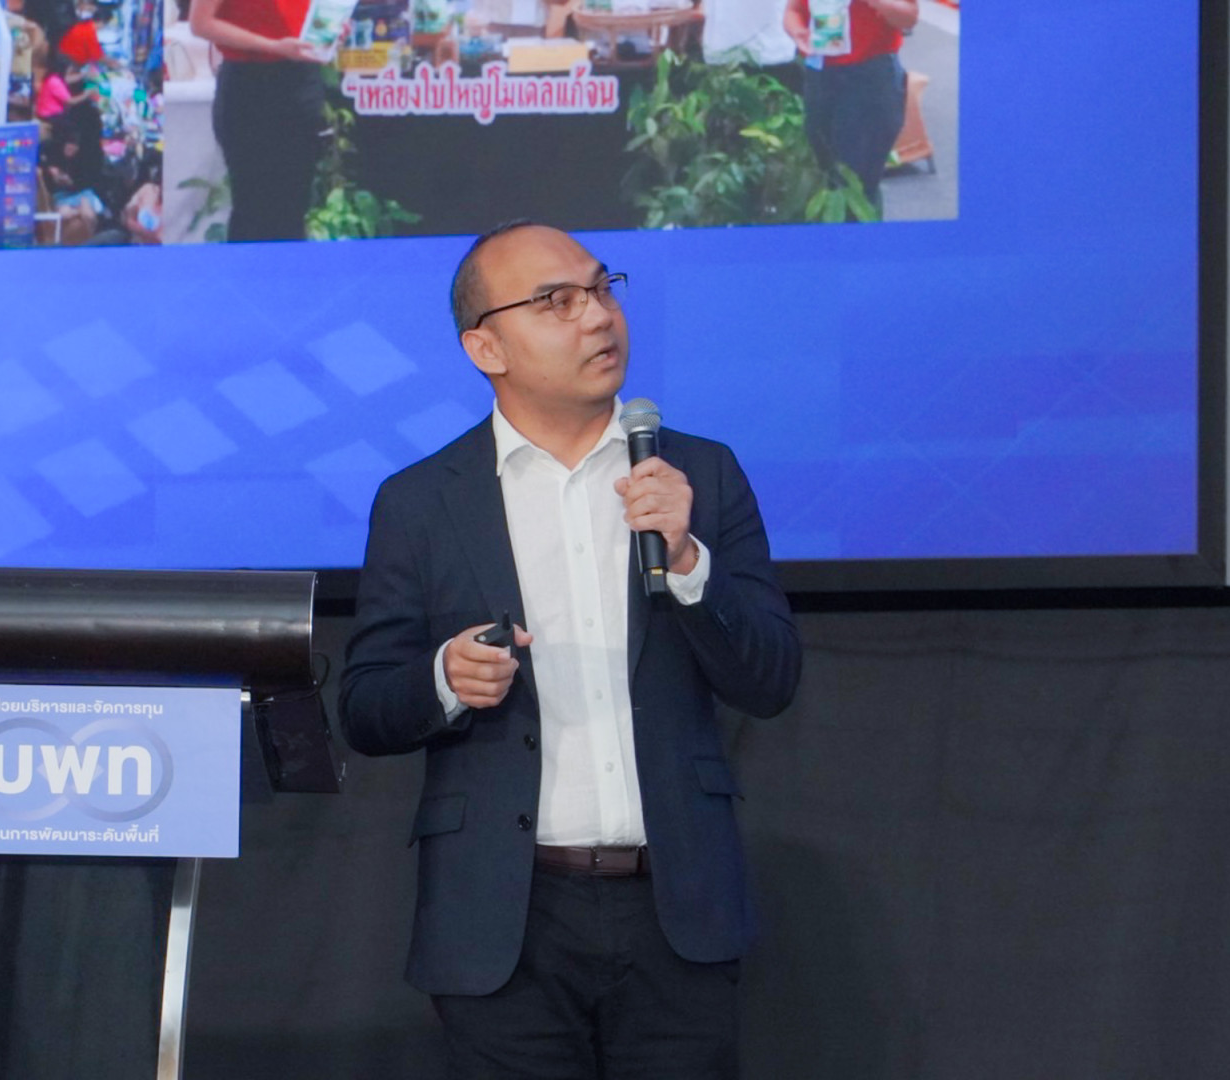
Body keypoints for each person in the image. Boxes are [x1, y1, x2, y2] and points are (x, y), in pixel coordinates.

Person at [339, 222, 801, 1080]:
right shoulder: (422, 501)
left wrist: (689, 562)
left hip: (676, 907)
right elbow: (365, 707)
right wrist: (444, 679)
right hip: (503, 917)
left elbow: (771, 679)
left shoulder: (702, 475)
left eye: (601, 288)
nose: (597, 316)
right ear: (486, 348)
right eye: (556, 301)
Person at [189, 0, 326, 241]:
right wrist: (273, 46)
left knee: (294, 205)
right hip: (249, 86)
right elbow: (200, 23)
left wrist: (328, 32)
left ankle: (291, 265)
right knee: (253, 207)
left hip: (301, 80)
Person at [783, 0, 916, 212]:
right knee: (825, 173)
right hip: (820, 75)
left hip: (871, 76)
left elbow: (908, 17)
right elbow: (794, 10)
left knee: (857, 184)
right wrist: (797, 31)